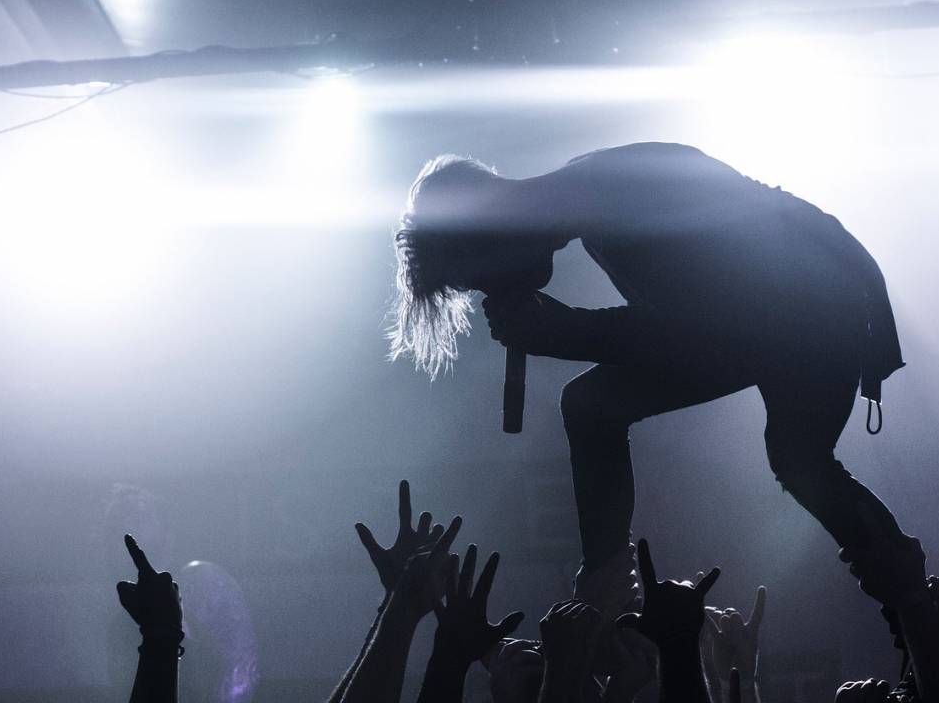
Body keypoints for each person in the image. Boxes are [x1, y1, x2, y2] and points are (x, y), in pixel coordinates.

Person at [388, 142, 908, 576]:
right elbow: (694, 327)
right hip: (795, 313)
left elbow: (704, 330)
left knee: (795, 458)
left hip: (809, 312)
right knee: (795, 459)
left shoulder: (611, 196)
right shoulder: (594, 193)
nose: (492, 290)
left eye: (482, 275)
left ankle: (914, 601)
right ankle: (607, 582)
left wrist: (565, 332)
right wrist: (564, 330)